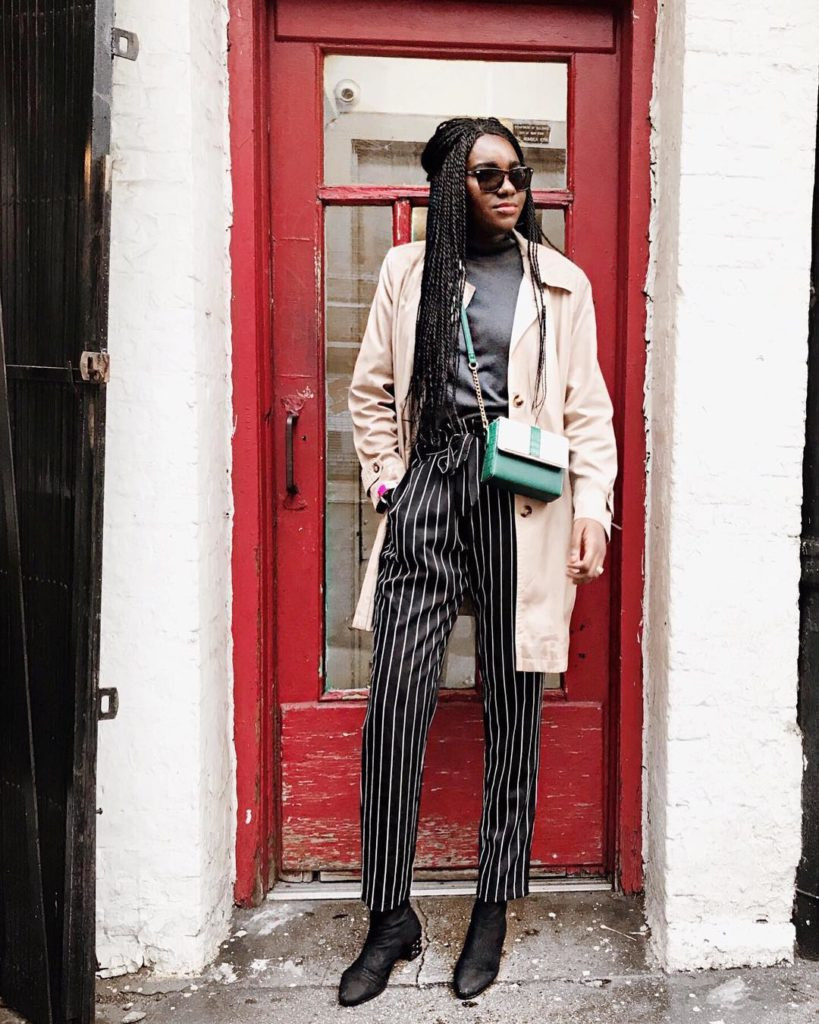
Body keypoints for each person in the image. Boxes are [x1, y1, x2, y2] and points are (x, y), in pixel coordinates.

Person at [340, 116, 617, 1007]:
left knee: (511, 706)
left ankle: (491, 907)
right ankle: (390, 915)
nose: (508, 187)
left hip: (522, 501)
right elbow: (371, 389)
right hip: (430, 487)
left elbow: (586, 415)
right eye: (487, 173)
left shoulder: (560, 284)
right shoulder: (408, 271)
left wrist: (592, 509)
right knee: (396, 707)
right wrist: (391, 485)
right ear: (449, 183)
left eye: (519, 172)